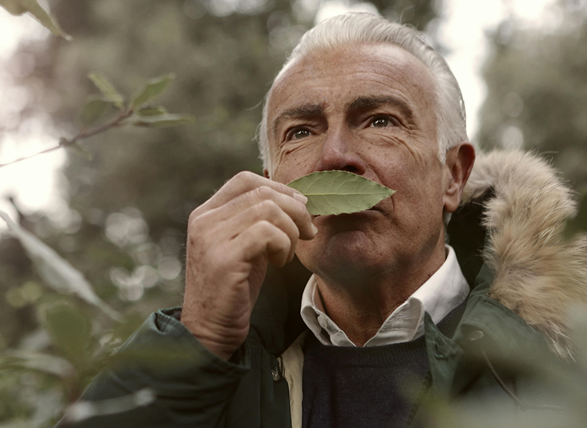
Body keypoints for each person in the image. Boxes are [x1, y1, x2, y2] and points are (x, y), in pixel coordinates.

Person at [61, 12, 587, 428]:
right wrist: (198, 340)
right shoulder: (221, 369)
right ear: (271, 181)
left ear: (453, 176)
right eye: (301, 132)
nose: (335, 156)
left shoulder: (560, 356)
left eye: (380, 120)